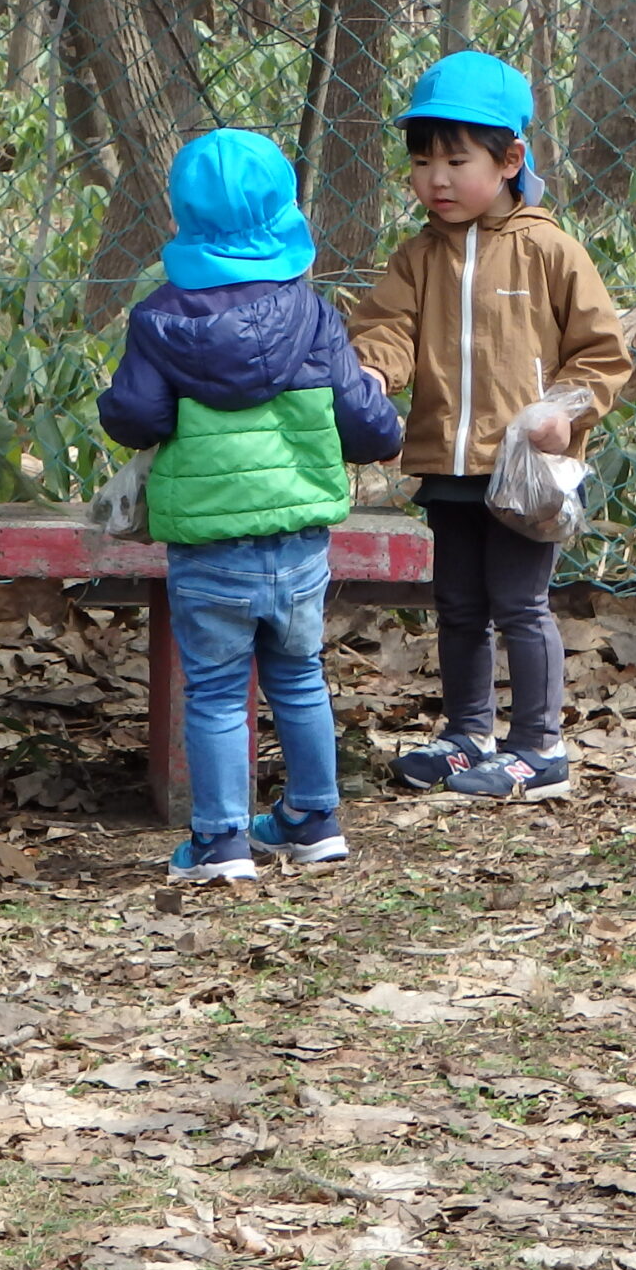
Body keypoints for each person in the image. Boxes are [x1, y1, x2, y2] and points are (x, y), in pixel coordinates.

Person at [99, 130, 403, 885]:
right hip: (297, 539)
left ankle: (221, 840)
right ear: (283, 216)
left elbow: (136, 417)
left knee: (213, 690)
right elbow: (366, 425)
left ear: (182, 220)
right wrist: (387, 421)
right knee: (299, 676)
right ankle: (315, 818)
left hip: (208, 546)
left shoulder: (161, 320)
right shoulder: (316, 317)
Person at [346, 51, 633, 801]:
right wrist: (374, 370)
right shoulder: (417, 257)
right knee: (459, 603)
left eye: (455, 159)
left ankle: (539, 745)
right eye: (421, 161)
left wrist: (563, 410)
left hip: (525, 470)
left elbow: (602, 354)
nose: (435, 179)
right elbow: (387, 328)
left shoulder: (551, 251)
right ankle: (467, 731)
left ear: (510, 160)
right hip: (447, 460)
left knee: (520, 603)